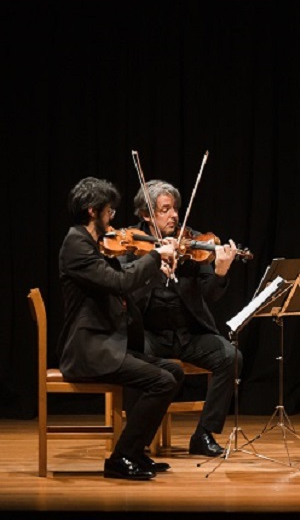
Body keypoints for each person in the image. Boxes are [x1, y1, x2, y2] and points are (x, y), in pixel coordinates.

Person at [57, 177, 184, 480]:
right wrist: (155, 255)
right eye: (109, 212)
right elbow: (120, 282)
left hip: (106, 343)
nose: (112, 218)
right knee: (163, 381)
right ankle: (121, 457)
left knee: (173, 372)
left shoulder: (94, 243)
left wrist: (156, 269)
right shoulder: (76, 244)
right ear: (92, 211)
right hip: (89, 349)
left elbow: (124, 278)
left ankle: (136, 451)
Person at [122, 180, 242, 458]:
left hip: (188, 334)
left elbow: (210, 294)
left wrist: (221, 272)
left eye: (175, 208)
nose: (174, 215)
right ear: (145, 214)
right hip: (148, 334)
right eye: (165, 209)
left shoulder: (194, 242)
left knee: (230, 356)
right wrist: (154, 264)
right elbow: (123, 289)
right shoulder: (131, 242)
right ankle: (137, 440)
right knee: (134, 357)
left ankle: (204, 433)